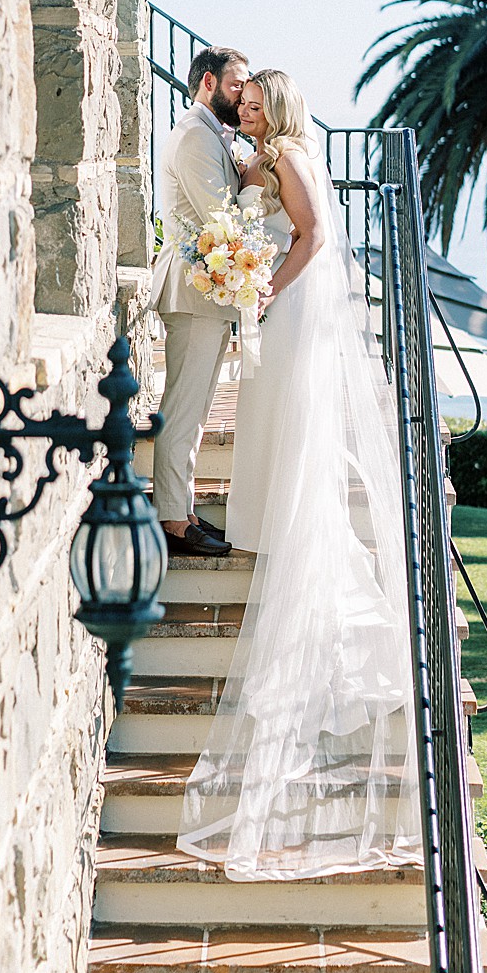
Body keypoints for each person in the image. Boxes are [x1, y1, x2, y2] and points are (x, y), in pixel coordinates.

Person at [176, 70, 425, 879]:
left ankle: (280, 529)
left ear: (274, 111)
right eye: (240, 104)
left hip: (284, 315)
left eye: (252, 105)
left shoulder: (280, 157)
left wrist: (264, 292)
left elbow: (310, 237)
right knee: (276, 424)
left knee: (281, 422)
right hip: (279, 315)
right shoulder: (276, 155)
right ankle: (270, 520)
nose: (242, 111)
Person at [150, 46, 249, 557]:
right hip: (192, 289)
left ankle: (182, 509)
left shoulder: (214, 136)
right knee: (184, 409)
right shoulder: (194, 136)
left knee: (197, 410)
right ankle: (171, 519)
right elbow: (221, 214)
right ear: (208, 82)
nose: (243, 93)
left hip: (209, 293)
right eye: (236, 84)